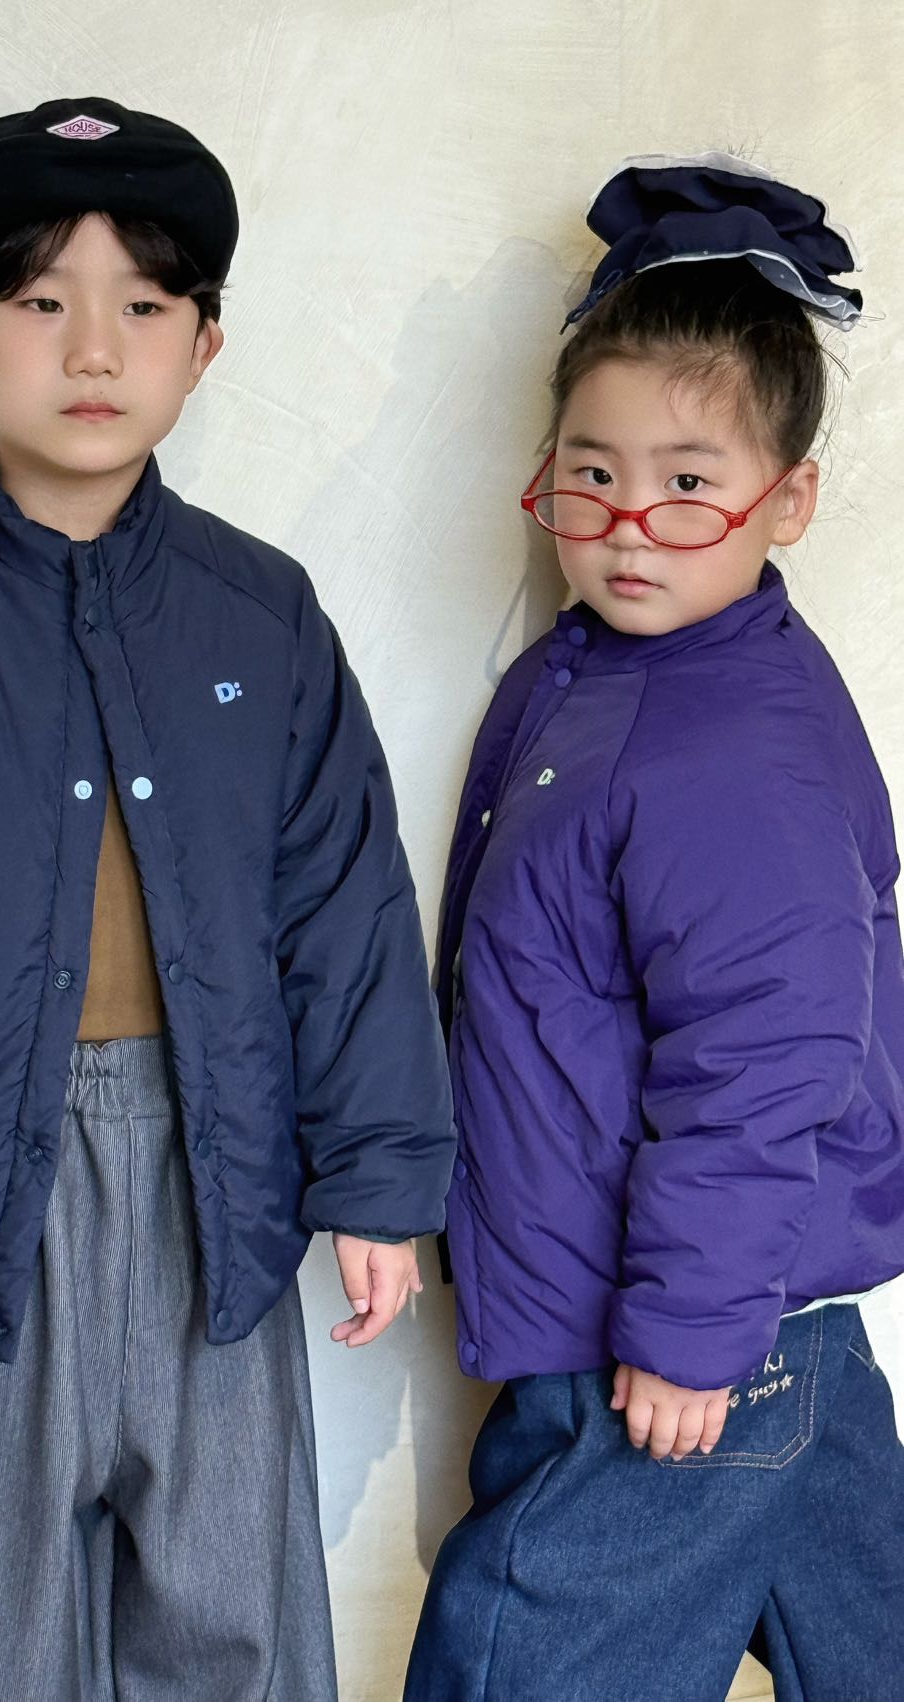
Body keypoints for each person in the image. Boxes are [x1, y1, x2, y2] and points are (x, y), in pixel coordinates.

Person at [0, 96, 454, 1702]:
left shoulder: (264, 615)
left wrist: (381, 1176)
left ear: (206, 346)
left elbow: (344, 908)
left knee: (228, 1623)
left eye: (146, 305)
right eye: (42, 300)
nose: (95, 348)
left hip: (217, 1180)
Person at [405, 153, 904, 1702]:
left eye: (690, 482)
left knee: (514, 1659)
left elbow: (770, 1055)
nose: (631, 522)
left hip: (678, 1345)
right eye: (593, 471)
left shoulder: (730, 747)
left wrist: (690, 1330)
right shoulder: (601, 670)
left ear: (788, 498)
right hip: (768, 1333)